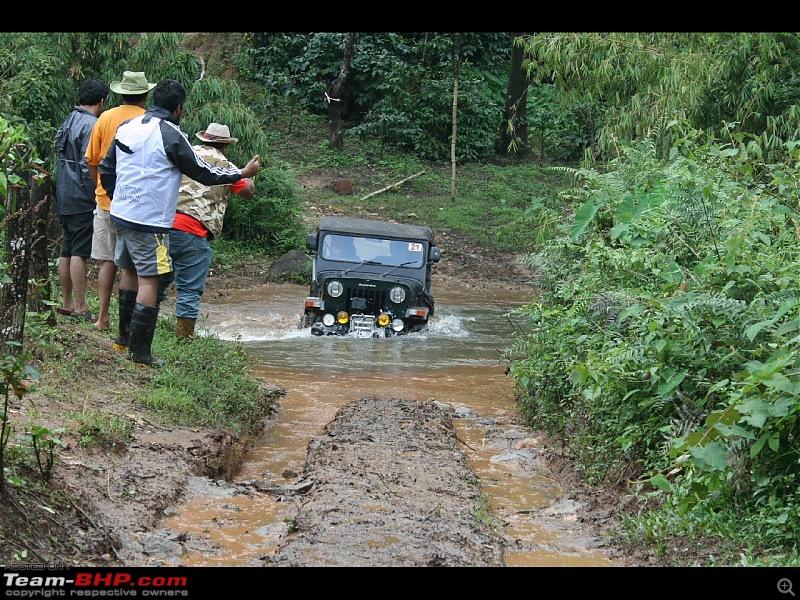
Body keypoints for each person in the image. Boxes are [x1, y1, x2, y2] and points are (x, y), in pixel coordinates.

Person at [99, 79, 260, 367]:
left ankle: (122, 342)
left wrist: (116, 197)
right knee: (150, 279)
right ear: (179, 109)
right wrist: (243, 172)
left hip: (121, 213)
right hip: (151, 221)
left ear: (150, 101)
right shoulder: (171, 134)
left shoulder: (129, 127)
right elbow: (204, 173)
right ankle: (141, 353)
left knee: (129, 272)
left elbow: (106, 167)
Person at [156, 122, 256, 340]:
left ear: (203, 139)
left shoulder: (185, 154)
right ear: (225, 146)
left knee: (156, 283)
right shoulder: (226, 166)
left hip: (162, 228)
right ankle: (184, 342)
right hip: (193, 233)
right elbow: (247, 191)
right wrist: (249, 175)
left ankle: (143, 334)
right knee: (189, 291)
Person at [85, 71, 156, 334]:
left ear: (120, 93)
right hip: (137, 204)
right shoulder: (148, 121)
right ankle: (129, 325)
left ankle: (102, 318)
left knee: (107, 261)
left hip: (106, 200)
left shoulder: (105, 117)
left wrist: (101, 188)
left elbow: (91, 161)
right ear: (145, 95)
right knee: (135, 267)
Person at [54, 78, 109, 322]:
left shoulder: (69, 119)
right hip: (81, 196)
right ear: (101, 101)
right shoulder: (91, 125)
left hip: (64, 192)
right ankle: (80, 306)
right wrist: (97, 194)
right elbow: (89, 165)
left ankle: (66, 303)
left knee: (67, 248)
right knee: (79, 251)